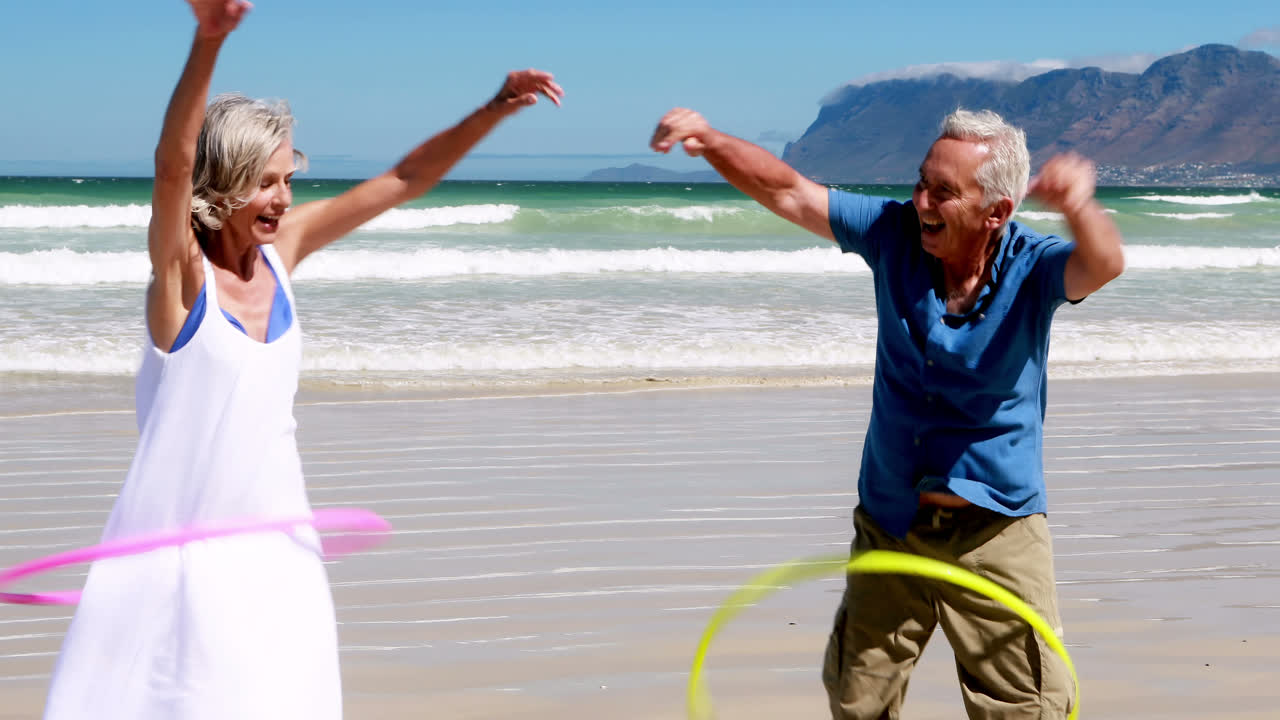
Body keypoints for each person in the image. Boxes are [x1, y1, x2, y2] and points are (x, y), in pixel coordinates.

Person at [43, 2, 562, 719]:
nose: (282, 199)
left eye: (289, 178)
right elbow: (170, 166)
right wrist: (208, 41)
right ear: (220, 181)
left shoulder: (282, 256)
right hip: (184, 563)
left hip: (282, 549)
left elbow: (406, 179)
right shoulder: (181, 278)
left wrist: (495, 108)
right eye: (264, 182)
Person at [651, 106, 1124, 719]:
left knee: (1025, 708)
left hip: (994, 529)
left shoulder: (1033, 267)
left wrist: (1080, 205)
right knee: (858, 699)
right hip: (891, 516)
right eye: (921, 181)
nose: (922, 201)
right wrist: (709, 140)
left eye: (944, 192)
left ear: (997, 212)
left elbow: (1105, 264)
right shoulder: (893, 232)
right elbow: (790, 191)